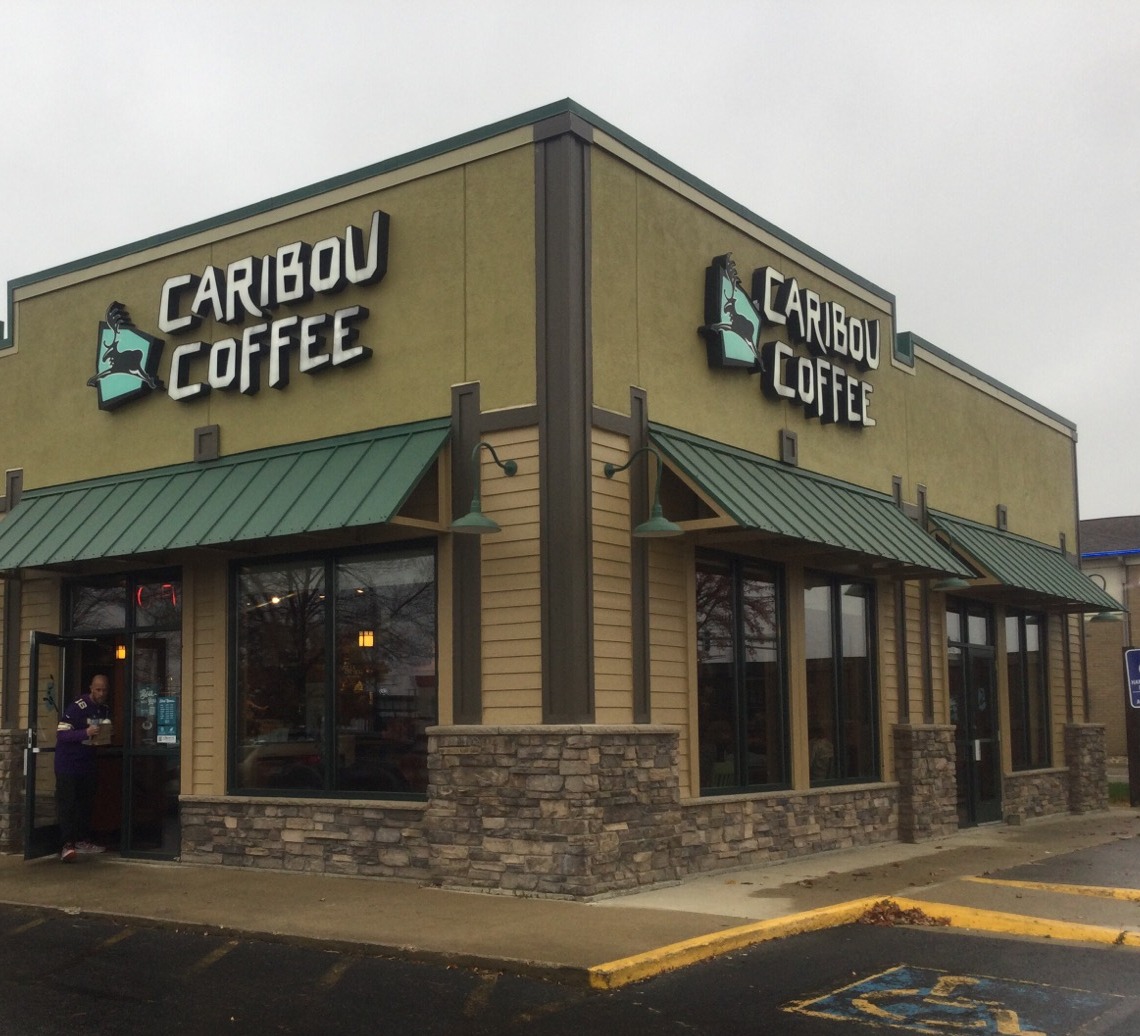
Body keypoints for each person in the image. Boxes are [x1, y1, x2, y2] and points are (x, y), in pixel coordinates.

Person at [54, 673, 111, 862]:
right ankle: (66, 846)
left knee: (85, 806)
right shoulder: (78, 706)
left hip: (87, 765)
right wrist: (84, 732)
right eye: (98, 689)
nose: (101, 693)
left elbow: (97, 737)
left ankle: (82, 841)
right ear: (91, 688)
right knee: (68, 805)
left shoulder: (103, 709)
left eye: (104, 690)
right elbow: (61, 734)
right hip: (68, 764)